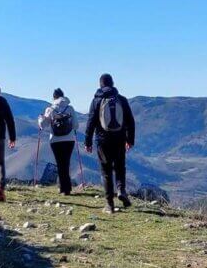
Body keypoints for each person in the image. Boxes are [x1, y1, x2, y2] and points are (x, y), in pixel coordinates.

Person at [84, 73, 135, 213]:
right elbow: (130, 121)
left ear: (100, 85)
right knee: (120, 166)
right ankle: (121, 190)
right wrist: (130, 140)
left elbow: (91, 123)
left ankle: (109, 204)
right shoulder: (122, 100)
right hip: (119, 139)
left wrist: (87, 142)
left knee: (106, 171)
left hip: (102, 140)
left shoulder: (96, 101)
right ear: (112, 83)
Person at [37, 88, 77, 195]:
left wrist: (40, 118)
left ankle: (62, 188)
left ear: (54, 97)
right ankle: (67, 188)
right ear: (63, 96)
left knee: (60, 163)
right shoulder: (70, 108)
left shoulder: (50, 109)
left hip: (55, 140)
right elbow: (76, 125)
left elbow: (43, 125)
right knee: (66, 163)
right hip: (69, 140)